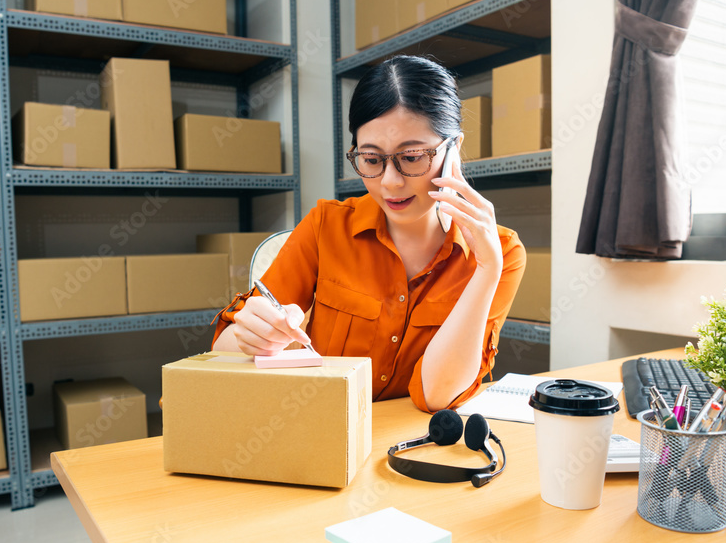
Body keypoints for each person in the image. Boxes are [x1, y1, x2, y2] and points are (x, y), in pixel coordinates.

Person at [212, 55, 526, 413]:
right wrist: (251, 333)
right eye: (372, 160)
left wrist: (486, 271)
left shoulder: (501, 252)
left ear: (453, 148)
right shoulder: (325, 226)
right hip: (327, 434)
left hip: (419, 447)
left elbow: (438, 396)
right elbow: (220, 350)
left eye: (411, 157)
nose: (391, 182)